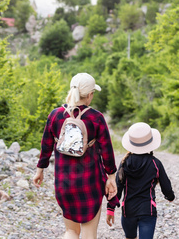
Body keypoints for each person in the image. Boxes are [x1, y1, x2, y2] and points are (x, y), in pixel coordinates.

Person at [32, 73, 118, 239]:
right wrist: (111, 176)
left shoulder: (55, 115)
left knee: (71, 231)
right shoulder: (96, 117)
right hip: (90, 183)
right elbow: (107, 151)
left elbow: (46, 146)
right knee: (88, 232)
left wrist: (40, 170)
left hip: (65, 183)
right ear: (90, 94)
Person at [107, 122, 175, 239]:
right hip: (147, 211)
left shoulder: (125, 163)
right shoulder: (155, 163)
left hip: (128, 211)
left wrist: (110, 208)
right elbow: (166, 186)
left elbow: (117, 187)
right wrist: (170, 197)